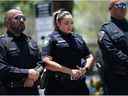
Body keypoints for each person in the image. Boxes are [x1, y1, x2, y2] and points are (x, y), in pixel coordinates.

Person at [42, 9, 95, 95]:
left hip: (79, 86)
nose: (70, 26)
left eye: (71, 23)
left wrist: (85, 69)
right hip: (58, 87)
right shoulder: (51, 39)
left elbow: (89, 56)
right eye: (66, 23)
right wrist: (70, 71)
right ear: (58, 24)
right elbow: (46, 63)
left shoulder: (78, 38)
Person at [0, 9, 43, 95]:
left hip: (32, 91)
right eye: (17, 18)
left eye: (23, 18)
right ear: (7, 22)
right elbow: (2, 68)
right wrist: (26, 73)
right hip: (11, 91)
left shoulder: (31, 42)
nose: (22, 20)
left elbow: (40, 63)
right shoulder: (2, 42)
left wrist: (33, 76)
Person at [98, 0, 128, 95]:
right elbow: (111, 51)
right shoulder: (105, 30)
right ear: (111, 9)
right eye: (119, 5)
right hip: (116, 79)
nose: (123, 8)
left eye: (125, 5)